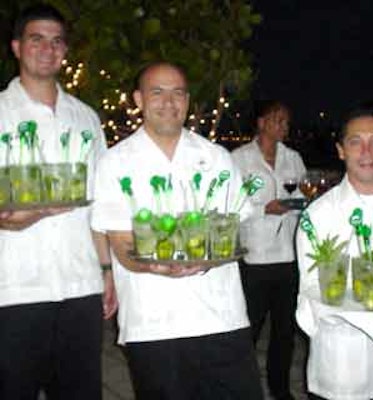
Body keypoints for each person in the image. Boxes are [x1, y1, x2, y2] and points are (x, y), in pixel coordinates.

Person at [91, 61, 264, 400]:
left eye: (178, 93)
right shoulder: (115, 163)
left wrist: (210, 259)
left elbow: (235, 229)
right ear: (139, 99)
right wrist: (153, 265)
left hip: (222, 318)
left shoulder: (215, 157)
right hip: (153, 324)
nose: (168, 102)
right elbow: (122, 243)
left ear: (188, 101)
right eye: (157, 92)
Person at [0, 4, 117, 400]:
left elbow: (100, 205)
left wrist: (106, 270)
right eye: (37, 39)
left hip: (79, 286)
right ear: (16, 47)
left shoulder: (86, 118)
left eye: (56, 41)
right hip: (13, 288)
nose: (48, 49)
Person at [296, 107, 373, 399]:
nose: (366, 151)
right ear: (341, 151)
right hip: (343, 367)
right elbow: (310, 291)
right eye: (356, 141)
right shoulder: (318, 215)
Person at [232, 100, 306, 400]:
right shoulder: (239, 159)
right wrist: (264, 208)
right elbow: (232, 205)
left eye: (286, 122)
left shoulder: (294, 158)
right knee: (247, 329)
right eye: (278, 120)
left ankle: (280, 389)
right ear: (262, 123)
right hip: (255, 256)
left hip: (288, 257)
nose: (283, 127)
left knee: (285, 333)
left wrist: (297, 204)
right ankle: (239, 388)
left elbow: (302, 193)